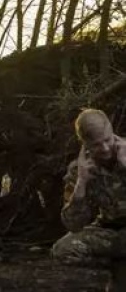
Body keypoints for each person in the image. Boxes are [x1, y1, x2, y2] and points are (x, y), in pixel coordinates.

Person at [52, 108, 126, 288]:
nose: (105, 148)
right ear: (84, 143)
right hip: (112, 234)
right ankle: (119, 266)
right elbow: (73, 225)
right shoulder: (80, 169)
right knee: (63, 249)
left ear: (112, 130)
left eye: (107, 140)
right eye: (97, 145)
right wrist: (81, 182)